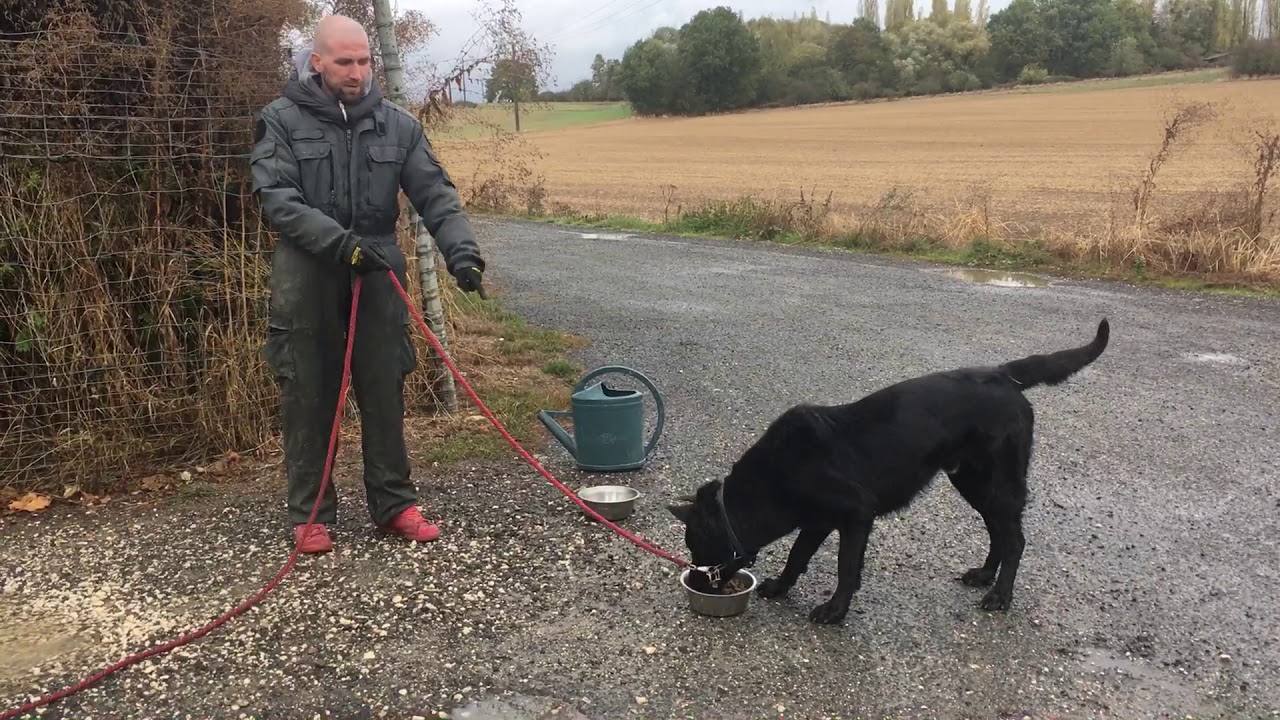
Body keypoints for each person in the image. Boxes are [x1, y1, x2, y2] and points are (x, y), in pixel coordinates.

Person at [248, 14, 486, 554]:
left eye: (363, 61)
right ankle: (310, 514)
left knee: (384, 389)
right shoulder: (280, 121)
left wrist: (462, 252)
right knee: (308, 393)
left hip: (378, 269)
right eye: (343, 62)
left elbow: (435, 193)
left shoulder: (398, 125)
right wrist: (338, 243)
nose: (356, 73)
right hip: (307, 271)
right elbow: (278, 201)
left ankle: (395, 503)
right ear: (317, 62)